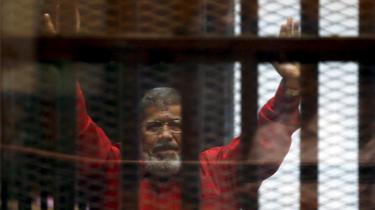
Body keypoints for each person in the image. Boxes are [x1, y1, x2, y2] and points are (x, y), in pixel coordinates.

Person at [44, 10, 301, 210]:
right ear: (138, 135)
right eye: (155, 126)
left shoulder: (218, 170)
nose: (166, 134)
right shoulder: (114, 169)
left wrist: (291, 86)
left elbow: (262, 145)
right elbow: (77, 132)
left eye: (176, 125)